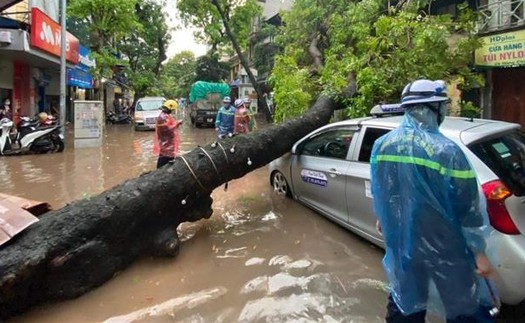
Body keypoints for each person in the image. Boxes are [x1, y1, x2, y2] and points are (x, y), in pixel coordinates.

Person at [370, 79, 497, 323]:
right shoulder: (447, 151)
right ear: (434, 109)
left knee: (405, 303)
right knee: (464, 308)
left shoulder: (381, 145)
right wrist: (479, 252)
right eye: (443, 107)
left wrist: (383, 217)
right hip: (446, 247)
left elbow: (381, 190)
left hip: (404, 243)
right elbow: (468, 207)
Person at [153, 99, 182, 169]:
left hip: (168, 143)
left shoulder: (166, 116)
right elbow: (167, 129)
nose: (171, 111)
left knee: (168, 157)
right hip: (166, 142)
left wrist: (176, 123)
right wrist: (177, 124)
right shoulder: (163, 117)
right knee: (165, 158)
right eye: (171, 110)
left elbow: (169, 126)